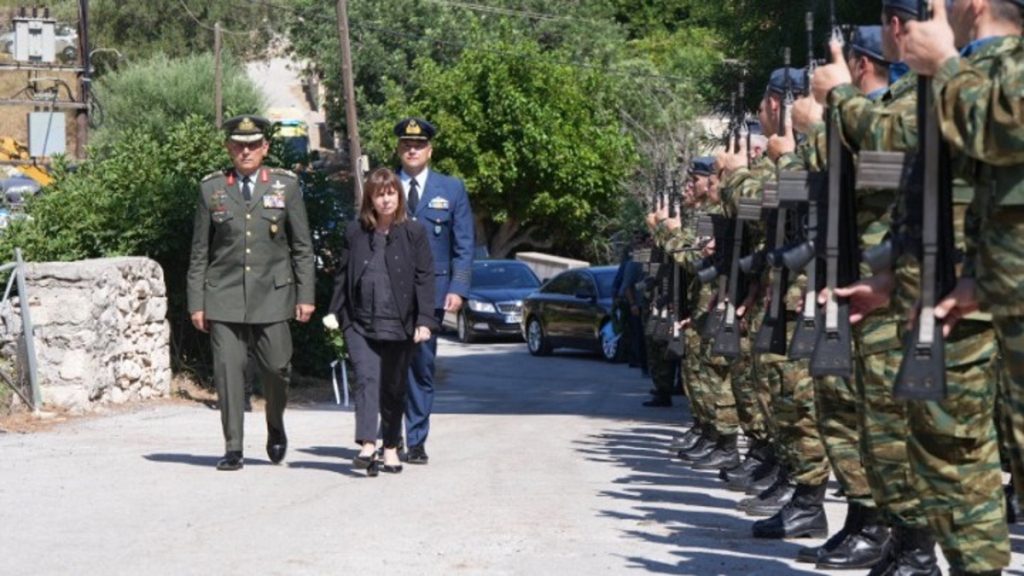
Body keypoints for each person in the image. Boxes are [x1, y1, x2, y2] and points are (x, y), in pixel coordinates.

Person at [186, 114, 316, 471]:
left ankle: (275, 424)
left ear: (265, 148)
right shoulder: (211, 188)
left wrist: (306, 295)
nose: (246, 151)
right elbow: (199, 251)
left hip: (273, 296)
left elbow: (302, 246)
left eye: (253, 145)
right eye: (239, 145)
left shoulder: (285, 186)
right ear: (229, 148)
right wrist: (197, 301)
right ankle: (233, 447)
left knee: (278, 368)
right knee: (227, 371)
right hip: (223, 295)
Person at [327, 168, 437, 476]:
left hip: (400, 323)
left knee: (393, 387)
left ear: (399, 197)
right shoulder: (355, 231)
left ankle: (390, 447)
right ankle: (367, 444)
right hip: (360, 322)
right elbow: (343, 274)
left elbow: (425, 277)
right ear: (370, 199)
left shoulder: (414, 232)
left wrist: (425, 320)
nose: (386, 200)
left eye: (391, 193)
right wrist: (334, 312)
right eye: (380, 194)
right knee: (367, 379)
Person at [394, 117, 474, 465]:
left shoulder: (451, 188)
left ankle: (416, 441)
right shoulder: (384, 185)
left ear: (430, 149)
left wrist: (458, 288)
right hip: (389, 294)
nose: (412, 150)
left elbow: (464, 244)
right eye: (406, 145)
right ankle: (388, 438)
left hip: (433, 294)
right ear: (399, 148)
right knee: (388, 367)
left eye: (419, 145)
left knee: (421, 369)